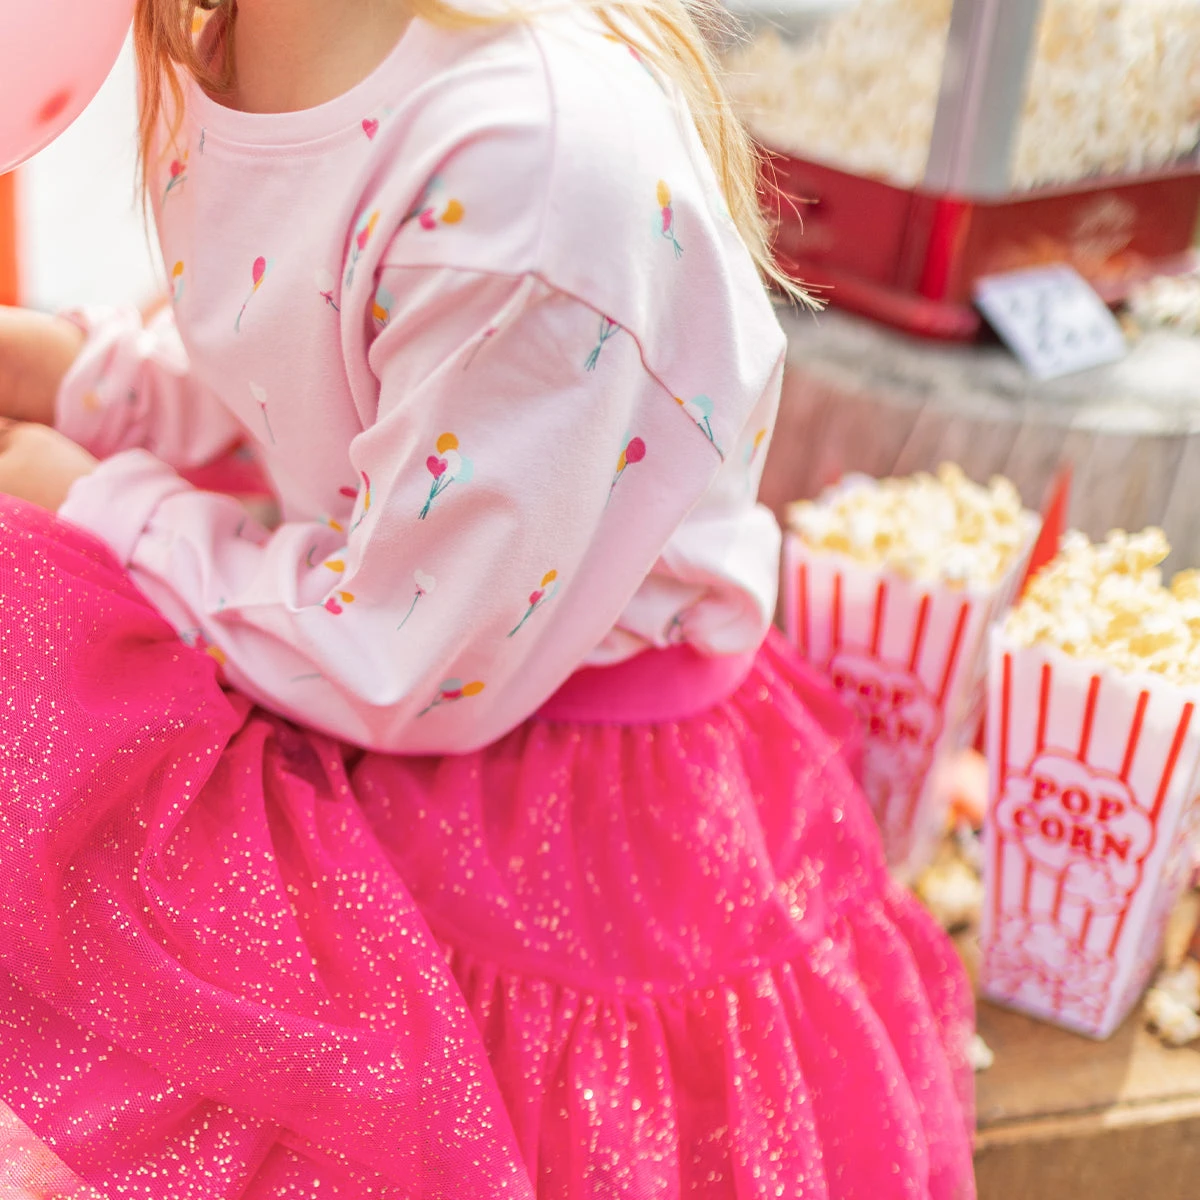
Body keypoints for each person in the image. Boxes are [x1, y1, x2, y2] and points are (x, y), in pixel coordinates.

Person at [0, 0, 976, 1195]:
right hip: (361, 670)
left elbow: (408, 659)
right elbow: (315, 351)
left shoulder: (532, 169)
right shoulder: (233, 35)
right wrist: (89, 383)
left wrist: (103, 501)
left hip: (562, 821)